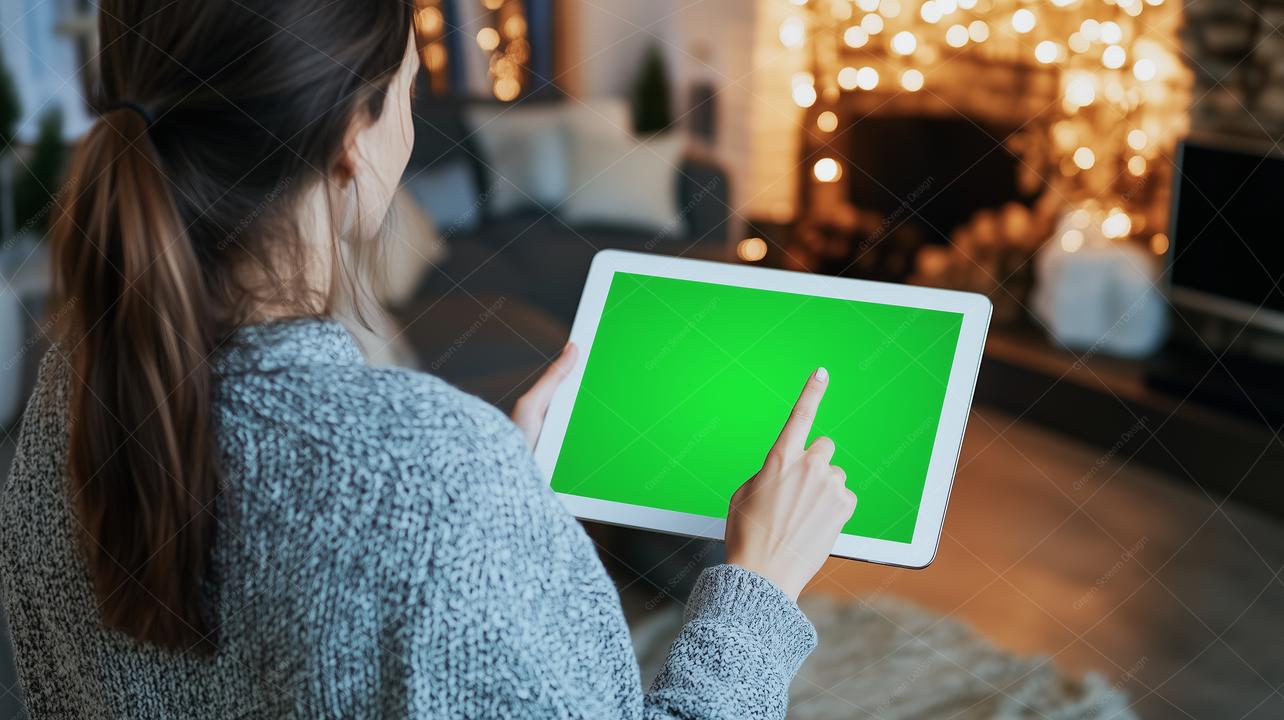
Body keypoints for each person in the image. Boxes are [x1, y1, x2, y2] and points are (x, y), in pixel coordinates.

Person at [0, 1, 857, 717]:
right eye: (411, 88)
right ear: (351, 138)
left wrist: (488, 509)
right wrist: (759, 583)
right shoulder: (434, 470)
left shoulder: (67, 397)